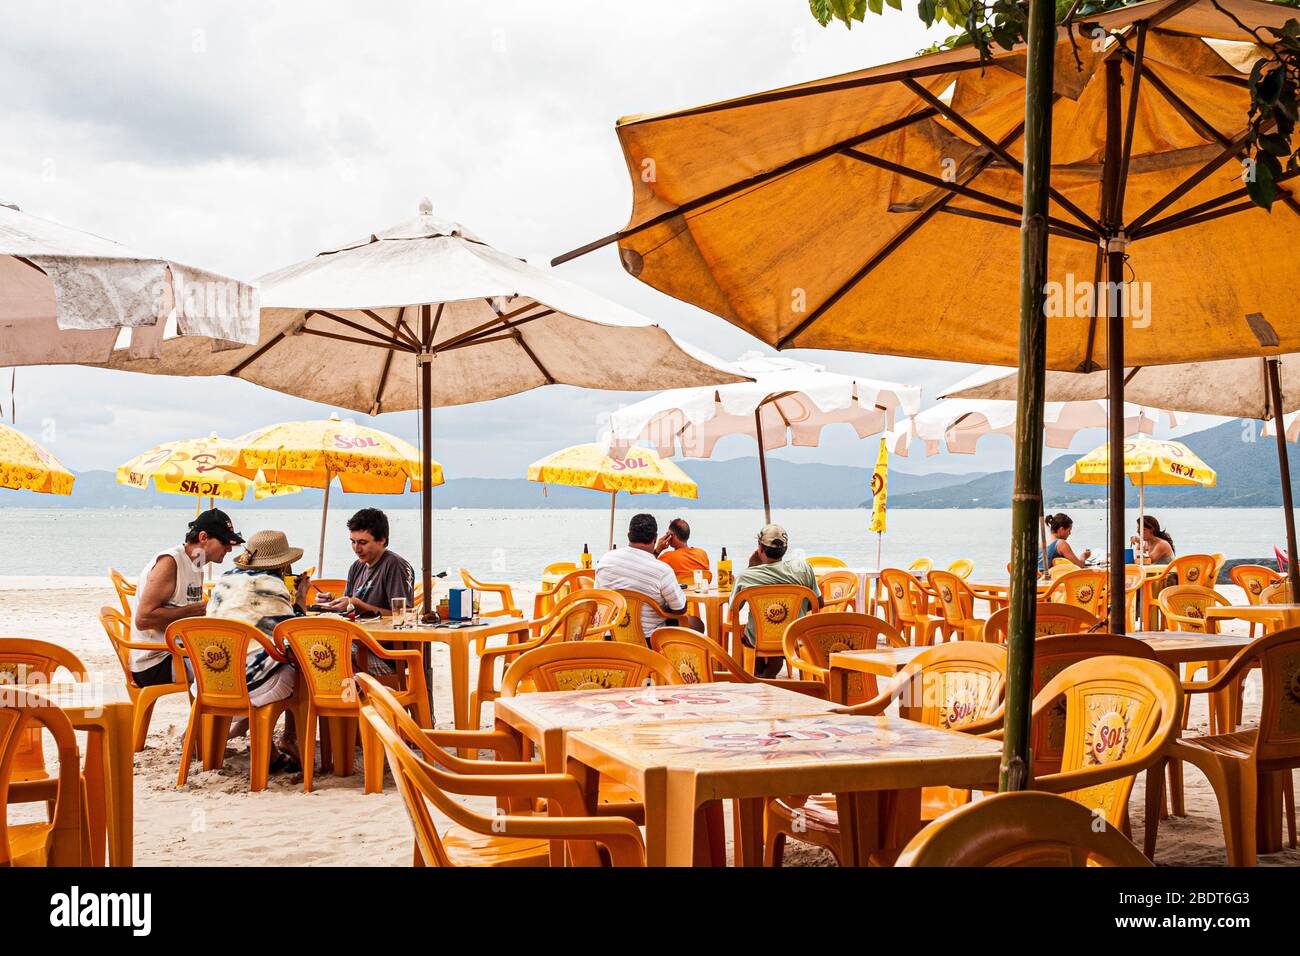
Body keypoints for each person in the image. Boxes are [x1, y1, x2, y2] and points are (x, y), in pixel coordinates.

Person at [206, 529, 311, 770]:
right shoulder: (272, 586)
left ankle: (269, 748)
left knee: (265, 656)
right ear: (283, 564)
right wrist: (302, 597)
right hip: (249, 683)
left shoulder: (225, 580)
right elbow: (292, 633)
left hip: (213, 676)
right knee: (302, 666)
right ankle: (291, 739)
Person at [132, 508, 243, 689]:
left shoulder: (197, 562)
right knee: (231, 670)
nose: (230, 548)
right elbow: (143, 619)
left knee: (235, 658)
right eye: (224, 542)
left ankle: (206, 716)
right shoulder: (170, 562)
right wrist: (193, 611)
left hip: (177, 650)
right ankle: (214, 717)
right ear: (203, 538)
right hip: (156, 661)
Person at [731, 524, 821, 678]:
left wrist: (751, 567)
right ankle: (769, 671)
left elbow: (734, 609)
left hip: (759, 640)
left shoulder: (746, 576)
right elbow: (818, 603)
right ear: (785, 548)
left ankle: (756, 675)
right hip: (794, 637)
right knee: (776, 628)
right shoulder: (804, 568)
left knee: (747, 634)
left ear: (760, 548)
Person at [595, 513, 703, 639]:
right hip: (647, 642)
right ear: (655, 538)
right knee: (697, 624)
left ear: (629, 535)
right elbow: (680, 609)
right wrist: (661, 608)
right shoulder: (662, 570)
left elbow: (599, 597)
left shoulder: (605, 560)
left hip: (608, 638)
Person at [320, 508, 415, 615]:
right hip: (355, 630)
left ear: (381, 540)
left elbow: (404, 615)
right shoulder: (356, 567)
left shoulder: (395, 566)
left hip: (381, 631)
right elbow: (349, 604)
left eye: (363, 542)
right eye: (353, 542)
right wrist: (333, 602)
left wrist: (358, 606)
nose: (356, 549)